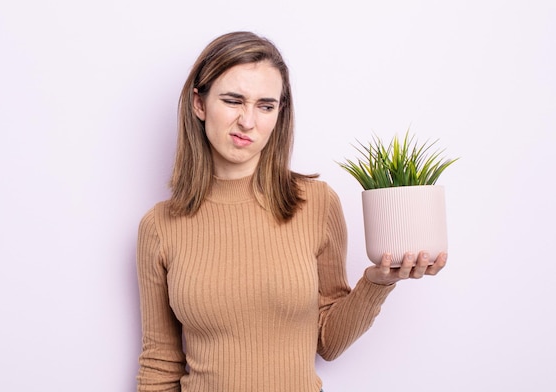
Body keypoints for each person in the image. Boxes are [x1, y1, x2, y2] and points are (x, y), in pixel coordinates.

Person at [135, 31, 446, 392]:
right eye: (233, 101)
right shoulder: (159, 226)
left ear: (279, 113)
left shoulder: (316, 203)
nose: (248, 122)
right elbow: (159, 364)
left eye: (265, 106)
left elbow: (328, 343)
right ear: (199, 104)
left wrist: (378, 283)